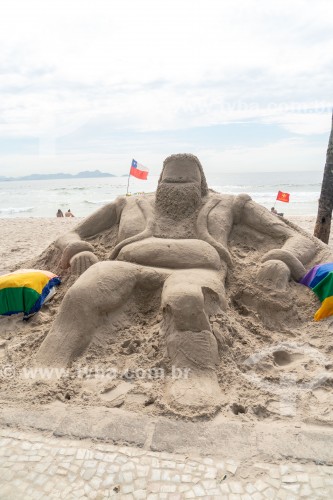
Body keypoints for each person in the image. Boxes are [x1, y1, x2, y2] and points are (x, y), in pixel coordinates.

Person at [36, 153, 322, 412]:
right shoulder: (128, 203)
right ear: (160, 180)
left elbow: (299, 239)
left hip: (196, 267)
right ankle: (46, 367)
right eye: (171, 179)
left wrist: (283, 259)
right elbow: (71, 233)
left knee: (185, 299)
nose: (177, 185)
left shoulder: (231, 204)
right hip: (124, 264)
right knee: (83, 293)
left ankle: (196, 376)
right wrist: (78, 250)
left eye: (185, 180)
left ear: (201, 183)